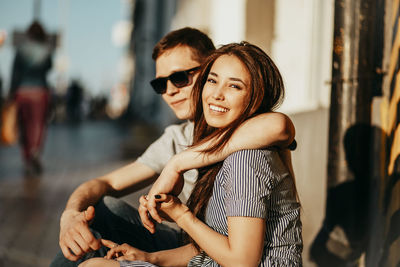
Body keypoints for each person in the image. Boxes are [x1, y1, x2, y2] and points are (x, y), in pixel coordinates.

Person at [51, 28, 296, 266]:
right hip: (196, 247)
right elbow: (105, 184)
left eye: (179, 77)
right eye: (160, 84)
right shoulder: (176, 137)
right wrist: (69, 216)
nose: (170, 91)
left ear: (206, 68)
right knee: (99, 214)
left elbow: (280, 125)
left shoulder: (250, 144)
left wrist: (179, 163)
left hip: (217, 250)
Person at [9, 21, 53, 176]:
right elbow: (49, 68)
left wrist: (11, 92)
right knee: (38, 125)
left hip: (23, 91)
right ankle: (35, 151)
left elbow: (15, 72)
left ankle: (27, 157)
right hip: (40, 91)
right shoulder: (46, 50)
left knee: (24, 126)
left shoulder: (21, 50)